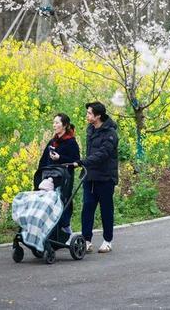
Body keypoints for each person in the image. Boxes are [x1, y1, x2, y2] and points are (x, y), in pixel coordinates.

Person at [73, 101, 118, 253]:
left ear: (98, 116)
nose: (87, 116)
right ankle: (86, 241)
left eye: (89, 113)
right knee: (87, 208)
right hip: (90, 177)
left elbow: (102, 155)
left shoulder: (110, 133)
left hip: (105, 178)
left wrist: (82, 162)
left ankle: (108, 241)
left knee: (106, 210)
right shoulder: (91, 129)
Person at [37, 113, 80, 235]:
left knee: (62, 202)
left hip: (64, 178)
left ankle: (66, 230)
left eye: (57, 123)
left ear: (65, 125)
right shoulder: (53, 141)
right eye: (53, 122)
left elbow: (76, 160)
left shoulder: (71, 142)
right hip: (48, 177)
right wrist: (40, 174)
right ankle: (50, 231)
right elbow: (44, 159)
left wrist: (60, 158)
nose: (54, 125)